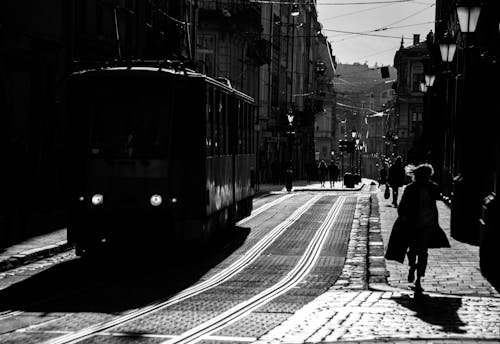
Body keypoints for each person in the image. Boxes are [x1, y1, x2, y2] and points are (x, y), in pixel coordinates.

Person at [386, 163, 450, 293]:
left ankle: (419, 278)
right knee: (415, 251)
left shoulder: (431, 188)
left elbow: (437, 196)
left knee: (421, 252)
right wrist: (403, 216)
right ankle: (413, 268)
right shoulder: (412, 188)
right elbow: (402, 206)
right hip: (414, 224)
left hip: (426, 224)